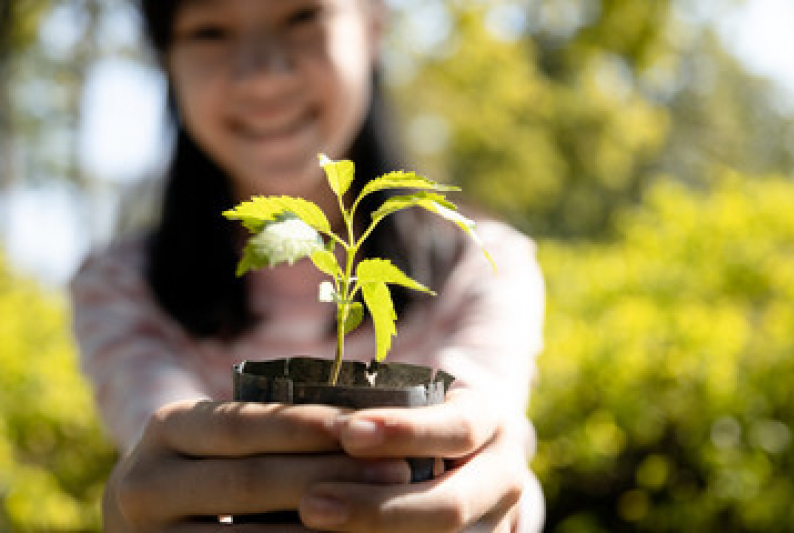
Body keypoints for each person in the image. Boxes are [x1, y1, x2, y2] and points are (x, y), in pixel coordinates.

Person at [70, 0, 546, 530]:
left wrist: (501, 495)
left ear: (374, 25)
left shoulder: (481, 265)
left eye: (302, 17)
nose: (262, 74)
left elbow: (496, 441)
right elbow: (153, 443)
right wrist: (140, 498)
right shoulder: (121, 287)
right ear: (167, 58)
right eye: (210, 31)